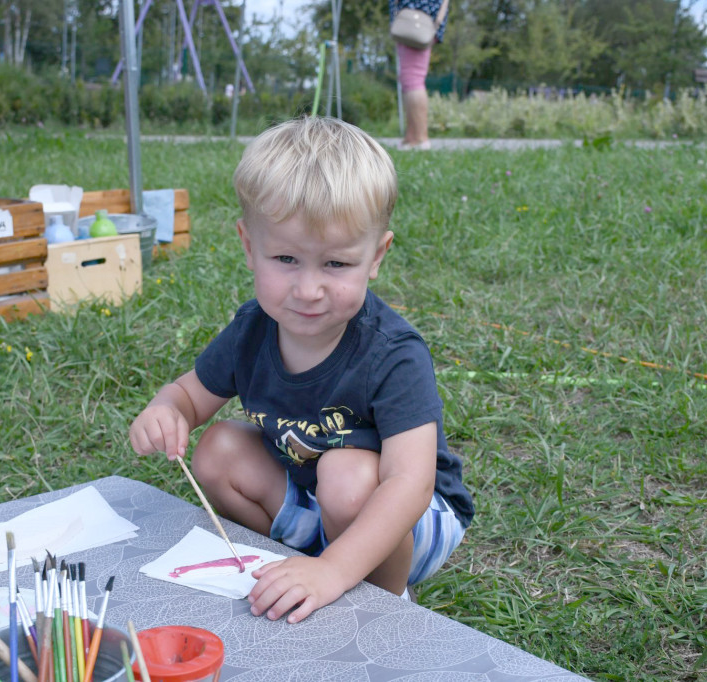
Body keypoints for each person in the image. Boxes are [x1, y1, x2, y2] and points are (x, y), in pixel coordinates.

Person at [129, 116, 474, 624]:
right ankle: (292, 567)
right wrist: (165, 410)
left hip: (412, 522)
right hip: (316, 500)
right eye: (286, 258)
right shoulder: (252, 330)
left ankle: (385, 603)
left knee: (346, 473)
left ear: (375, 257)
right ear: (249, 246)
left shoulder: (393, 352)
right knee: (219, 448)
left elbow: (410, 484)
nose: (308, 289)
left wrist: (335, 569)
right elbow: (188, 396)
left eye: (335, 265)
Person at [390, 0, 449, 150]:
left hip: (416, 17)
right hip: (421, 16)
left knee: (413, 79)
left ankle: (421, 139)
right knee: (409, 79)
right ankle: (411, 137)